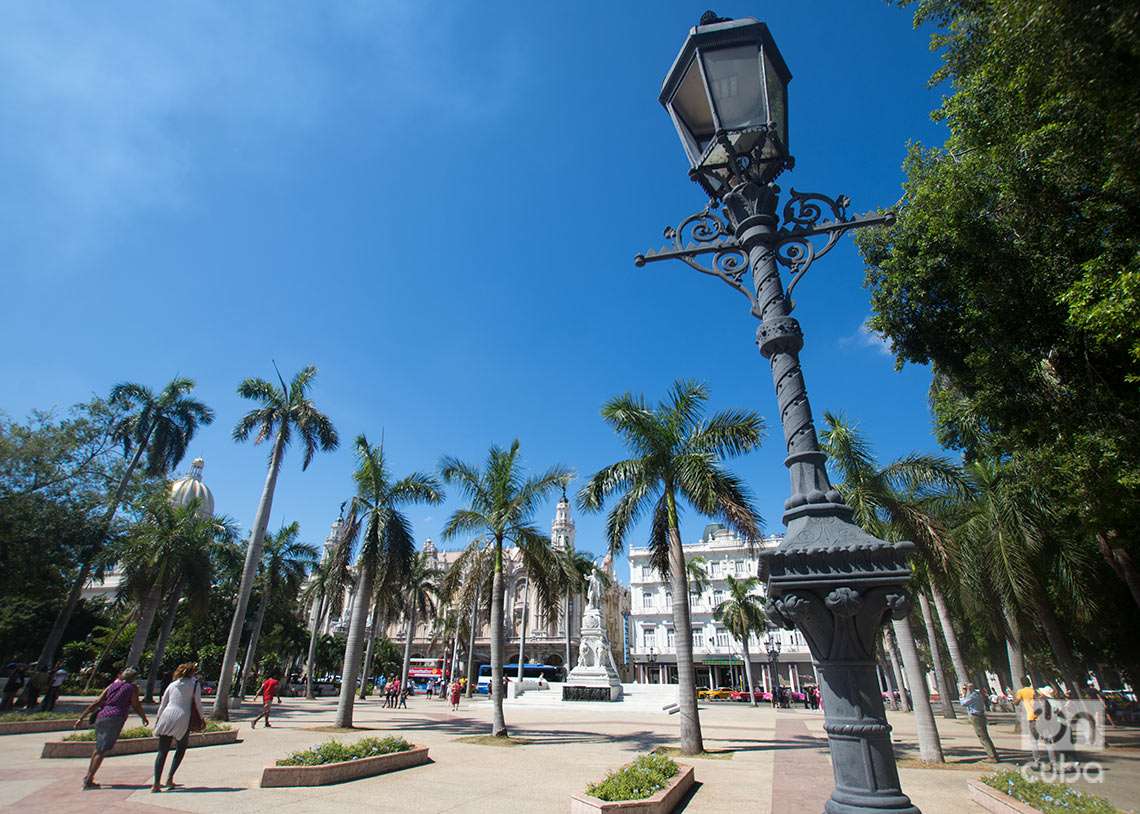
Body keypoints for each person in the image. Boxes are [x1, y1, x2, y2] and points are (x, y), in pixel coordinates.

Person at [76, 668, 149, 790]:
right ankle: (89, 779)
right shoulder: (132, 688)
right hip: (115, 717)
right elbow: (135, 704)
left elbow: (98, 701)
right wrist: (143, 717)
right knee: (102, 750)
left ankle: (89, 775)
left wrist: (82, 717)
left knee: (98, 747)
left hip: (101, 716)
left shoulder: (112, 685)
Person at [151, 662, 206, 792]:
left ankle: (156, 783)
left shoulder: (172, 685)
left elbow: (163, 704)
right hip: (183, 716)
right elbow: (197, 703)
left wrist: (158, 719)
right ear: (192, 672)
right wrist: (202, 718)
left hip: (167, 715)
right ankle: (169, 778)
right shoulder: (194, 685)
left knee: (162, 751)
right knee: (181, 748)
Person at [959, 683, 1000, 762]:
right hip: (980, 715)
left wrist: (962, 695)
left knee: (982, 736)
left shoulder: (973, 696)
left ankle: (992, 756)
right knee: (984, 736)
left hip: (976, 716)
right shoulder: (977, 694)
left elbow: (963, 703)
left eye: (966, 688)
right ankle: (993, 755)